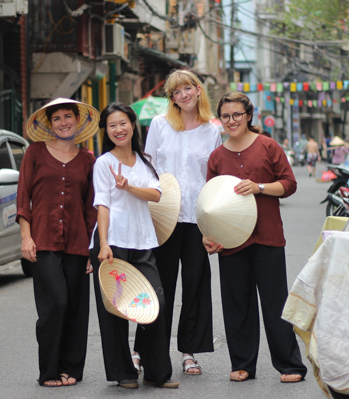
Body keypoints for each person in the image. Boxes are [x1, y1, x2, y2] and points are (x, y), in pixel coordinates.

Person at [203, 92, 307, 383]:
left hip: (267, 236)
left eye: (237, 114)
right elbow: (211, 203)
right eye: (225, 116)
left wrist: (259, 187)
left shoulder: (268, 146)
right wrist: (207, 236)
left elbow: (289, 184)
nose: (231, 121)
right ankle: (242, 364)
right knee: (237, 304)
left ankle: (290, 365)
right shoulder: (217, 156)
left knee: (275, 304)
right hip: (231, 242)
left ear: (249, 115)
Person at [136, 69, 220, 375]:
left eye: (187, 88)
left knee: (195, 285)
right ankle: (144, 351)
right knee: (159, 286)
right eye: (176, 92)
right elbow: (148, 169)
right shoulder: (159, 125)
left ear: (198, 90)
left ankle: (188, 351)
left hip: (197, 219)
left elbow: (214, 177)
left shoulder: (211, 130)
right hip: (164, 217)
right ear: (171, 98)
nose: (182, 95)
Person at [90, 102, 178, 389]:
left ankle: (157, 373)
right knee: (114, 310)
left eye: (123, 123)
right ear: (107, 130)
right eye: (112, 125)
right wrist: (102, 244)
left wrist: (128, 187)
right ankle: (123, 373)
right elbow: (102, 204)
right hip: (112, 243)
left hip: (142, 243)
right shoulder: (103, 163)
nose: (118, 129)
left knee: (156, 304)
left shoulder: (144, 161)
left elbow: (155, 194)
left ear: (132, 125)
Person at [16, 98, 99, 388]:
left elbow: (91, 207)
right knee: (55, 304)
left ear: (78, 120)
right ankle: (49, 370)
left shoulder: (88, 160)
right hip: (44, 241)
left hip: (78, 242)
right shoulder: (35, 152)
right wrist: (26, 237)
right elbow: (23, 197)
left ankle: (72, 368)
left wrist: (92, 249)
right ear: (49, 125)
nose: (63, 122)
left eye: (68, 117)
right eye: (57, 118)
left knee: (76, 307)